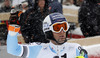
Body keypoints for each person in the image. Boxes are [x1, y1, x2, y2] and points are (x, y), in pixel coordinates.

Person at [7, 13, 88, 58]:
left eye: (64, 27)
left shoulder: (76, 49)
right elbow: (13, 49)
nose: (62, 31)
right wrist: (13, 30)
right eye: (57, 28)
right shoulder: (38, 50)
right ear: (48, 31)